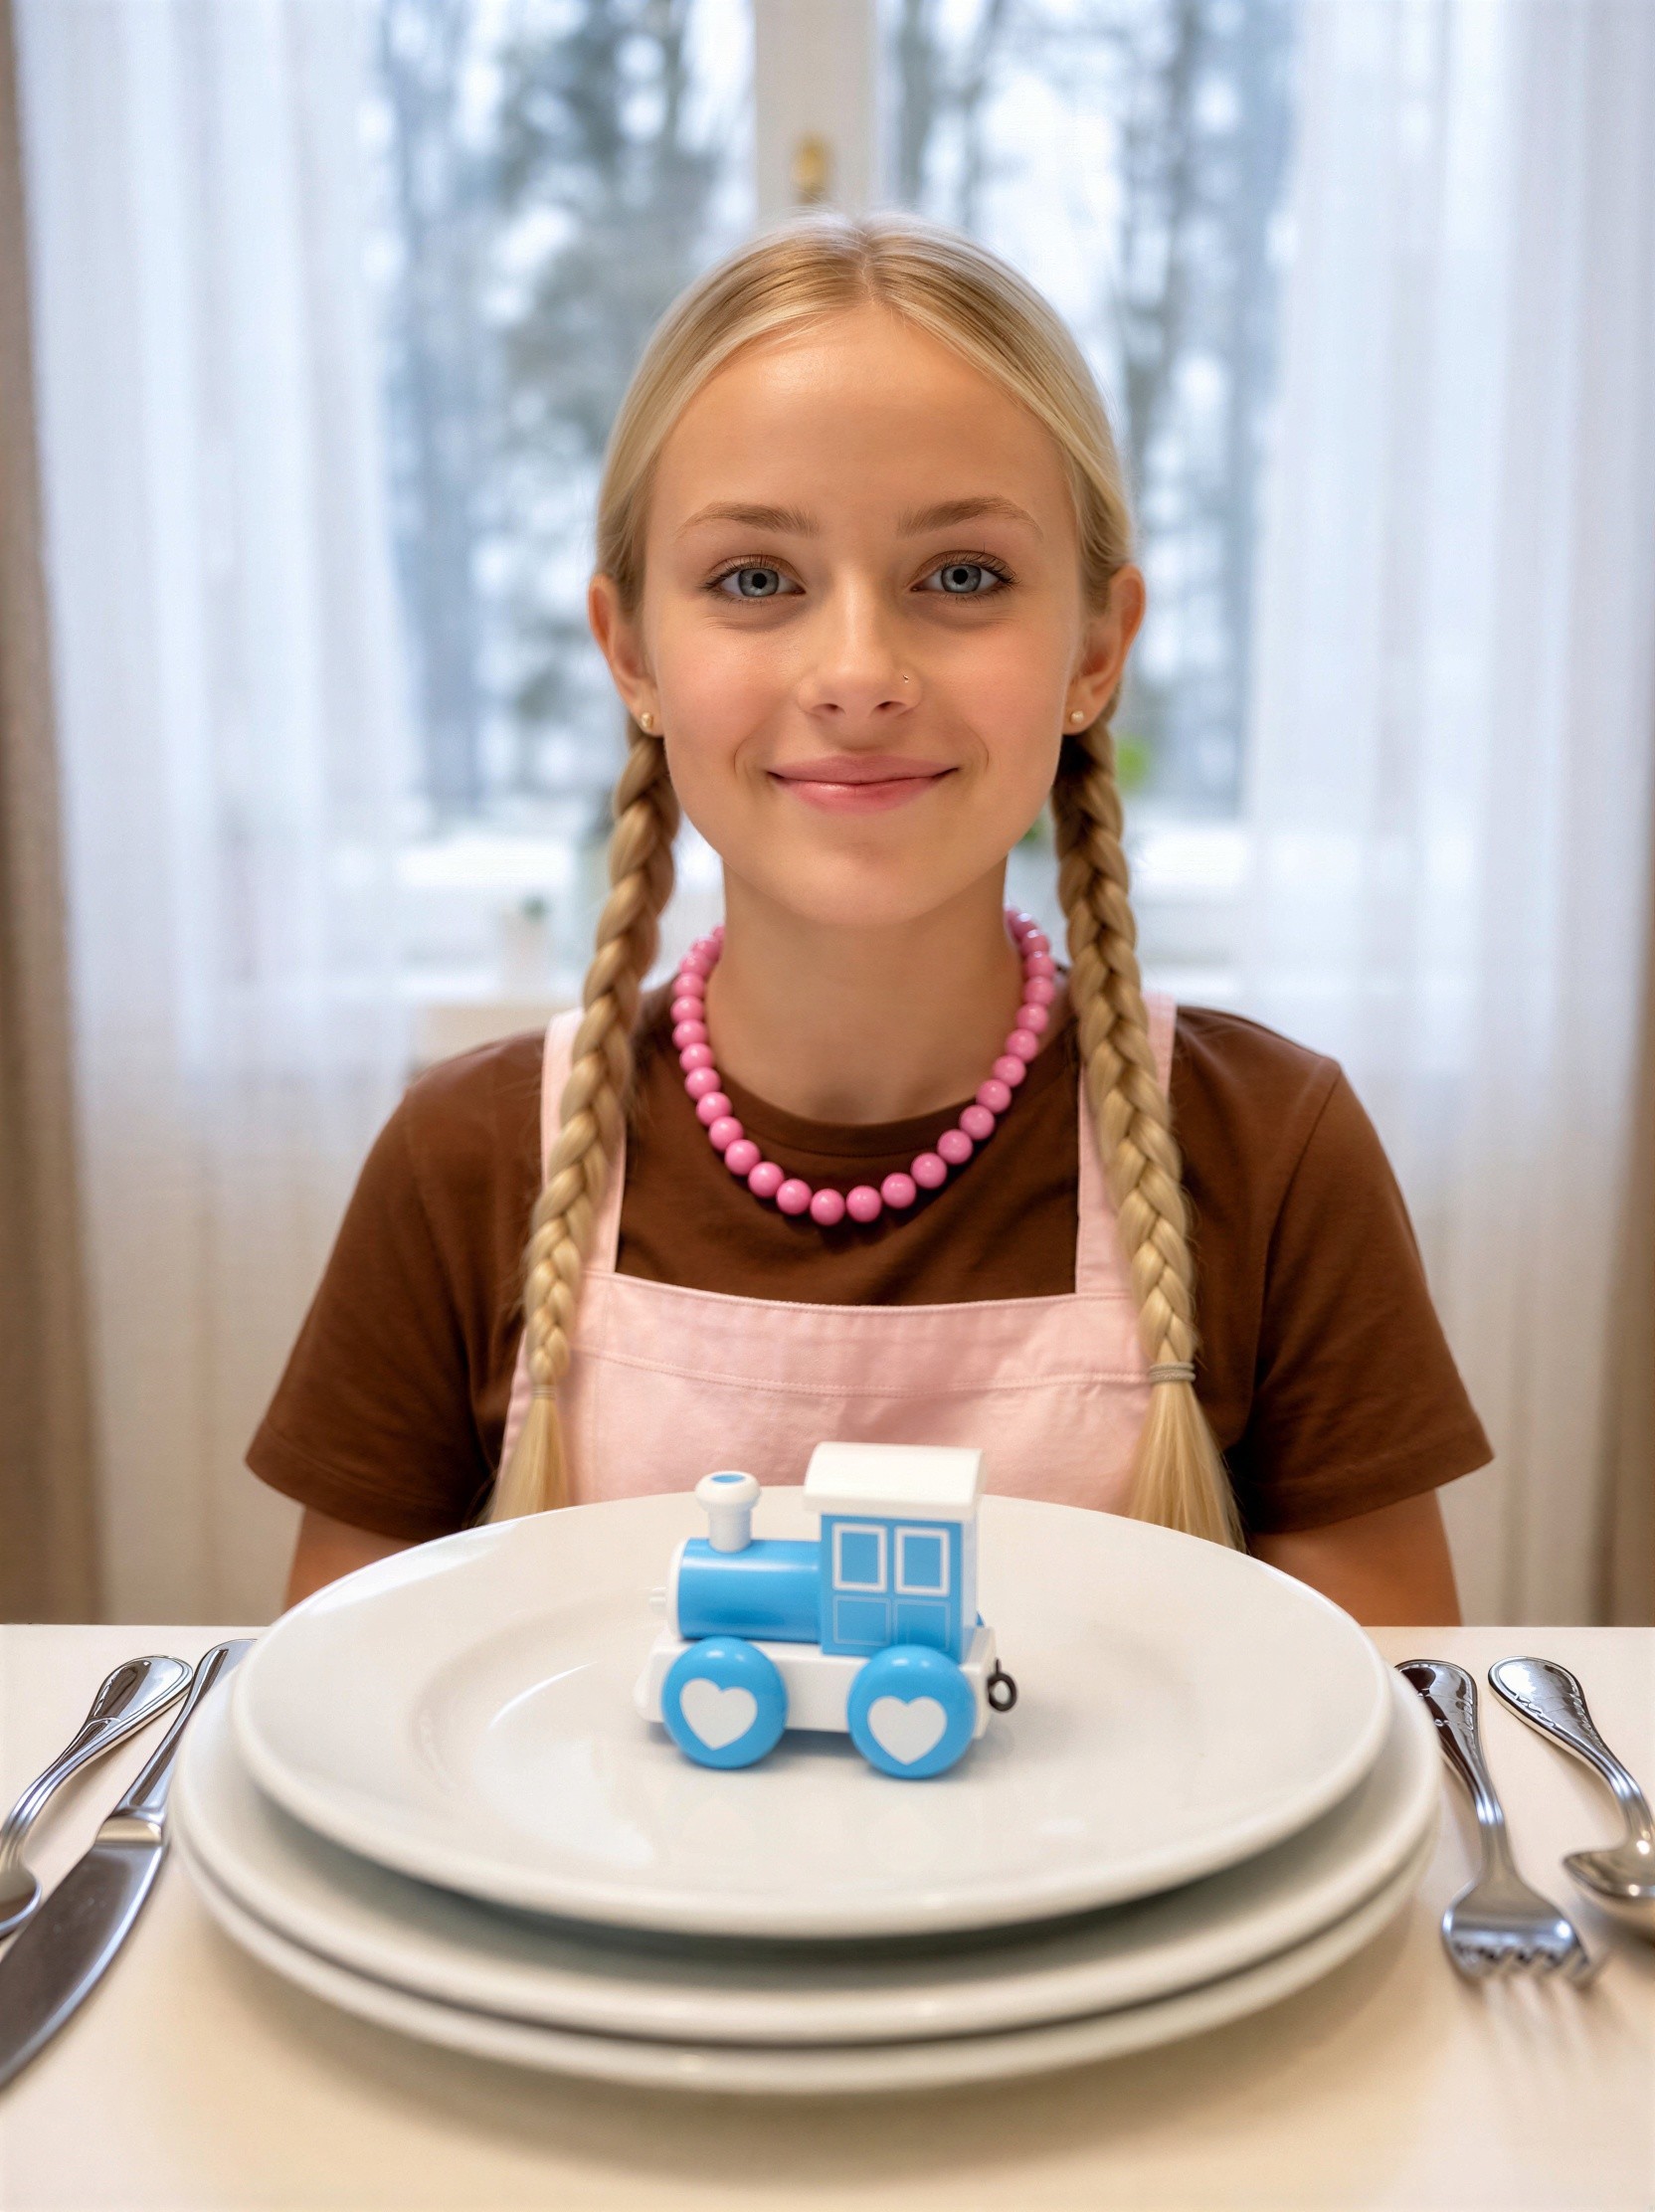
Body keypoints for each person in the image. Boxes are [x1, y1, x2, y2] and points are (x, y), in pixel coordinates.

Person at [258, 215, 1485, 1624]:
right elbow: (337, 1731)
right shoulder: (463, 1165)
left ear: (1096, 651)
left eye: (962, 576)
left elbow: (1402, 1742)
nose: (857, 673)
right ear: (629, 652)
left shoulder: (1271, 1153)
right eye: (754, 580)